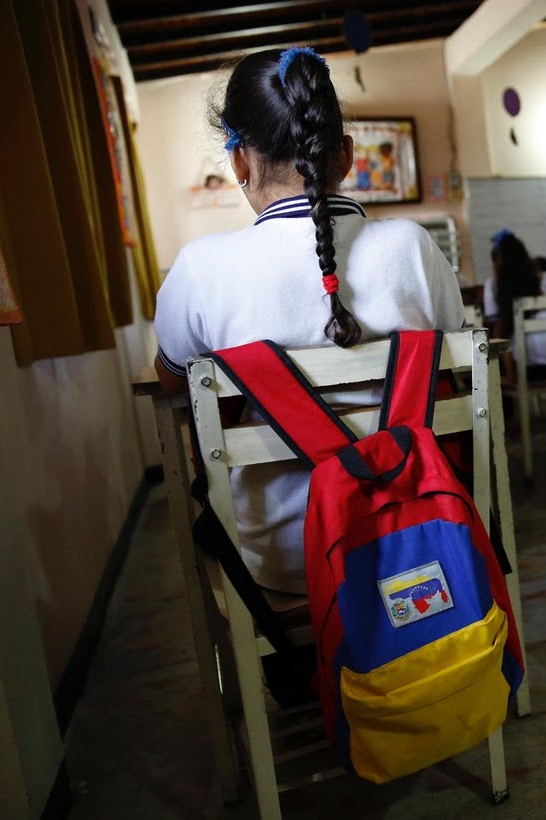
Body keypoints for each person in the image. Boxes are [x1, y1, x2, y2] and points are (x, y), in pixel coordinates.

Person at [154, 47, 465, 594]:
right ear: (345, 156)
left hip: (285, 560)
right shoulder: (414, 248)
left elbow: (175, 384)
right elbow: (457, 361)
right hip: (423, 535)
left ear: (240, 163)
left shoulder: (200, 269)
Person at [482, 230, 546, 382]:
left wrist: (511, 374)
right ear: (526, 256)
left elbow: (499, 331)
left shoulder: (493, 286)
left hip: (522, 363)